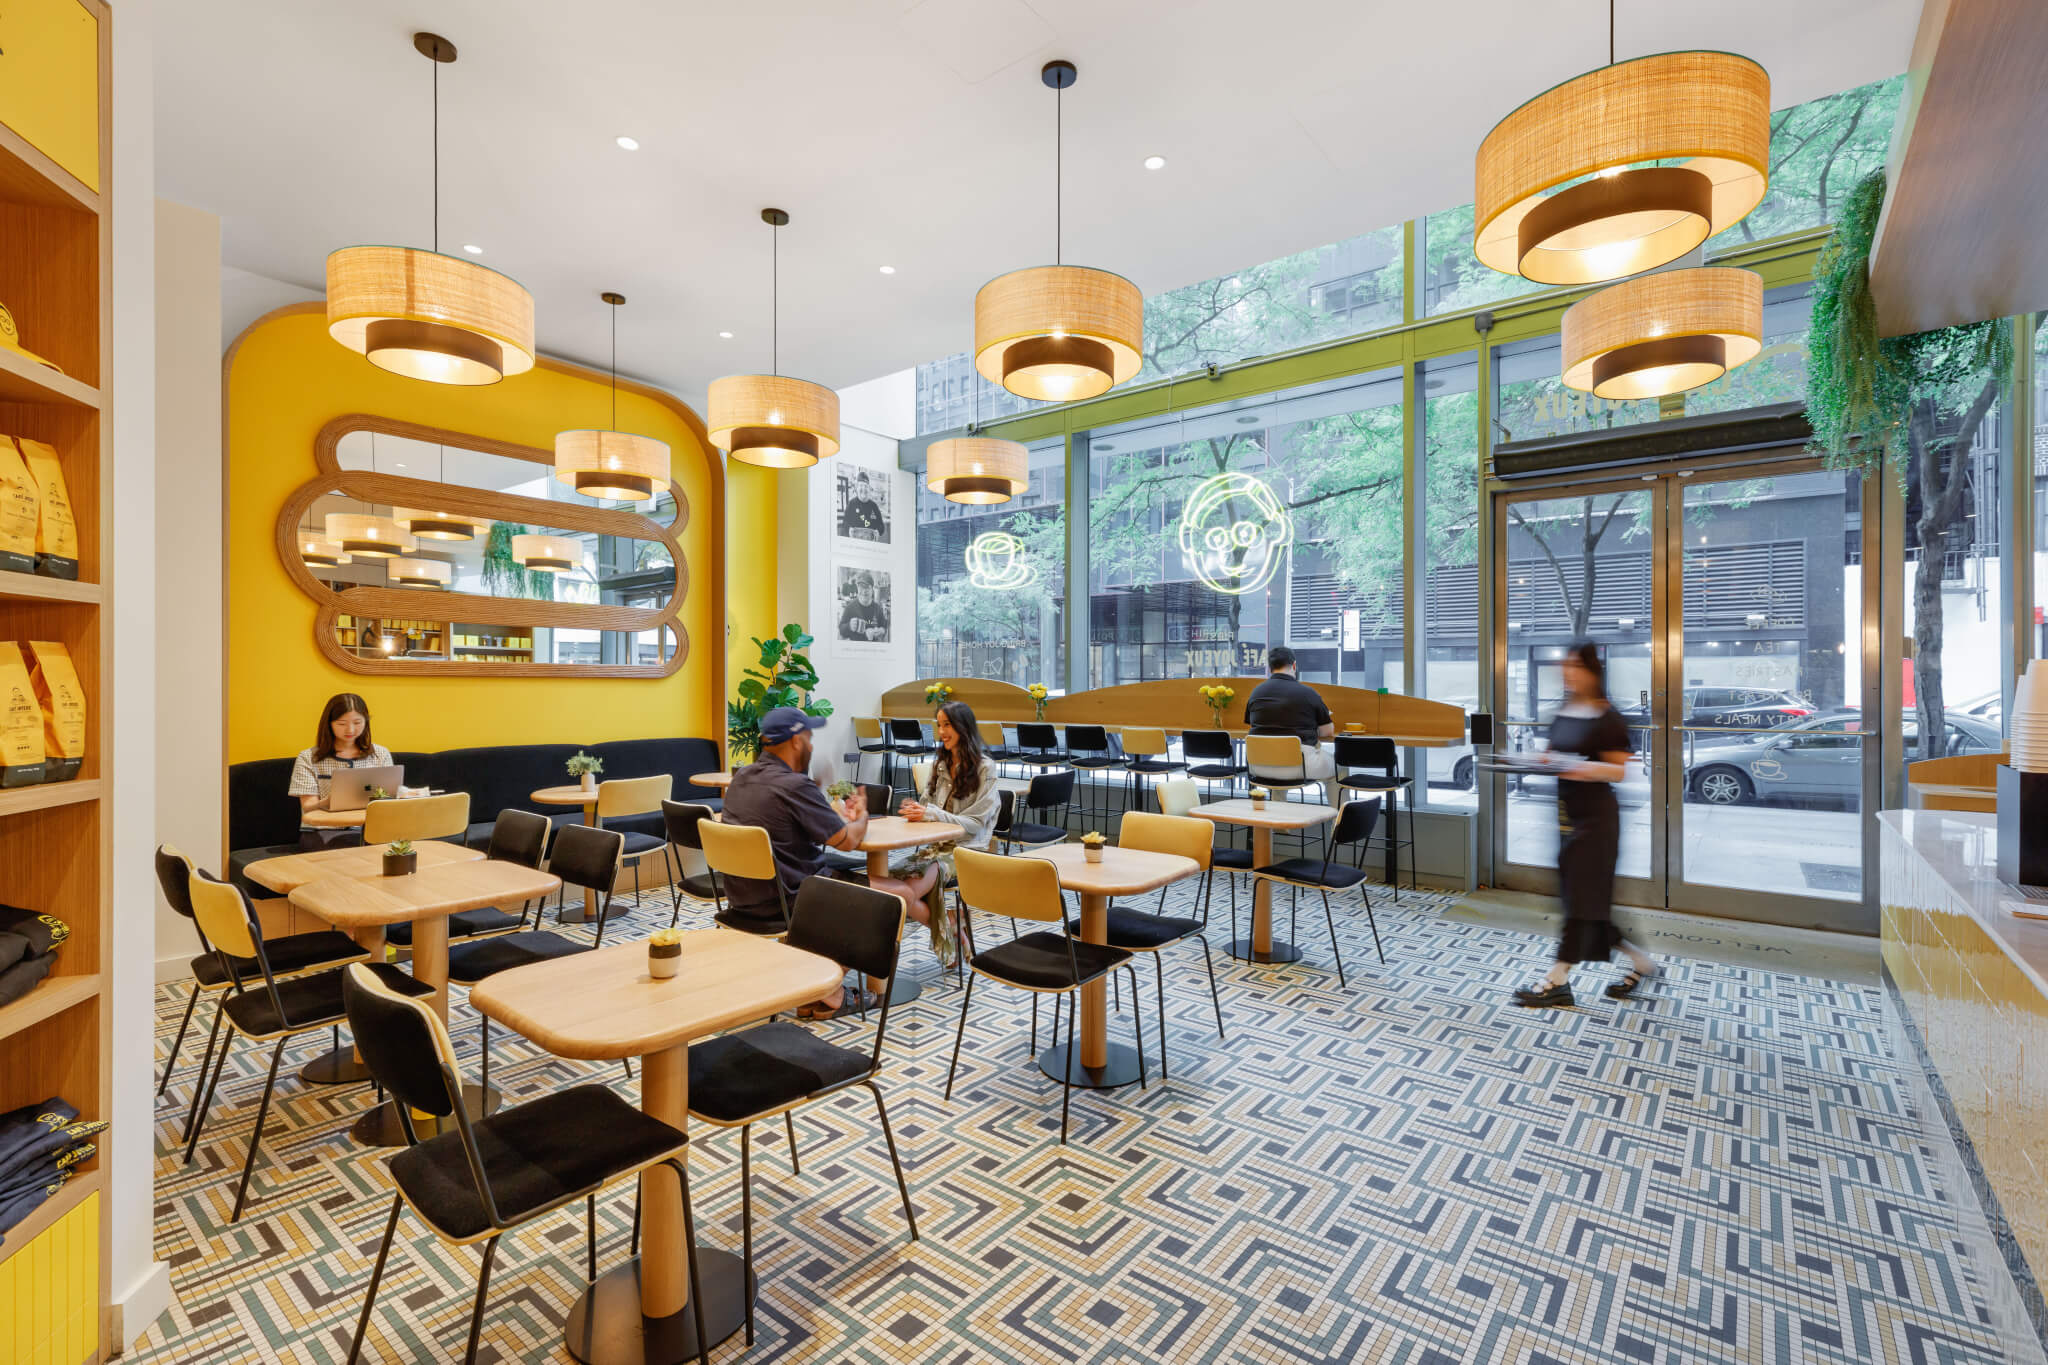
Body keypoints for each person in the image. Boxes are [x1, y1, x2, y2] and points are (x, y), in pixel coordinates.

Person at [1512, 641, 1658, 1007]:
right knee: (1586, 902)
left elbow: (1617, 770)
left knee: (1581, 902)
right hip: (1566, 816)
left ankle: (1557, 979)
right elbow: (1553, 753)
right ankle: (1641, 962)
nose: (1568, 672)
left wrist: (1577, 767)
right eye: (1566, 666)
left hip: (1597, 821)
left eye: (1575, 666)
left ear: (1594, 671)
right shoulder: (1565, 710)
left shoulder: (1607, 716)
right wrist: (1537, 761)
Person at [721, 706, 875, 1018]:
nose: (812, 744)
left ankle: (815, 989)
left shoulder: (742, 777)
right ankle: (827, 990)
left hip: (743, 898)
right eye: (808, 737)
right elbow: (847, 842)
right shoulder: (793, 785)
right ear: (794, 742)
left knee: (881, 888)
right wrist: (863, 816)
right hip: (790, 900)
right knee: (886, 902)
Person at [867, 701, 999, 970]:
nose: (941, 732)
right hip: (934, 849)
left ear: (964, 727)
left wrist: (932, 814)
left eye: (947, 725)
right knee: (894, 885)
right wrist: (916, 810)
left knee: (904, 895)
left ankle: (949, 928)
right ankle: (951, 925)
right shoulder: (941, 764)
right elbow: (928, 805)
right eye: (939, 725)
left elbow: (974, 823)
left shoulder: (985, 768)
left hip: (966, 852)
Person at [287, 693, 394, 828]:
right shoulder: (308, 757)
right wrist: (328, 801)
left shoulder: (380, 754)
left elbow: (387, 800)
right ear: (329, 724)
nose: (350, 729)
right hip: (324, 830)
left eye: (357, 722)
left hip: (370, 828)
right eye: (342, 723)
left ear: (366, 721)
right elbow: (308, 807)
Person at [1244, 645, 1336, 780]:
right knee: (1339, 768)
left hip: (1259, 766)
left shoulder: (1255, 693)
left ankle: (1277, 801)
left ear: (1270, 668)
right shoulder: (1308, 693)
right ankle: (1341, 802)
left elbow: (1253, 725)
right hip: (1299, 766)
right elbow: (1327, 732)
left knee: (1278, 769)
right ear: (1294, 666)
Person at [840, 571, 887, 642]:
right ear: (857, 589)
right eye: (861, 587)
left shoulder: (878, 608)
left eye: (867, 587)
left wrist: (881, 631)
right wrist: (849, 626)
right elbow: (841, 631)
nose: (864, 591)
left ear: (872, 590)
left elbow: (884, 626)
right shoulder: (849, 608)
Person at [840, 471, 885, 541]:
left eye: (866, 486)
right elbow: (844, 523)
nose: (863, 489)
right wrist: (848, 529)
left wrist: (878, 531)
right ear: (857, 488)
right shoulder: (851, 504)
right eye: (861, 485)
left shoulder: (874, 506)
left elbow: (881, 526)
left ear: (869, 489)